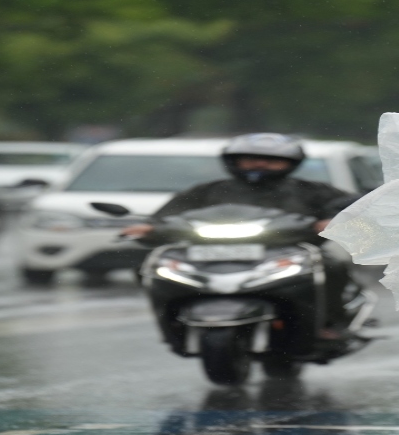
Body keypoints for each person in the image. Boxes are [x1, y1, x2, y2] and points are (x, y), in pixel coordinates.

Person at [122, 133, 359, 337]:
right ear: (233, 161)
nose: (260, 165)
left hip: (288, 251)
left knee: (331, 267)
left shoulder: (311, 190)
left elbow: (345, 206)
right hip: (204, 252)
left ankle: (330, 322)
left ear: (290, 163)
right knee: (149, 266)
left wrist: (330, 221)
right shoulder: (208, 190)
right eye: (251, 159)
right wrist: (148, 228)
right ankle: (173, 321)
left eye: (271, 161)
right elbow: (168, 216)